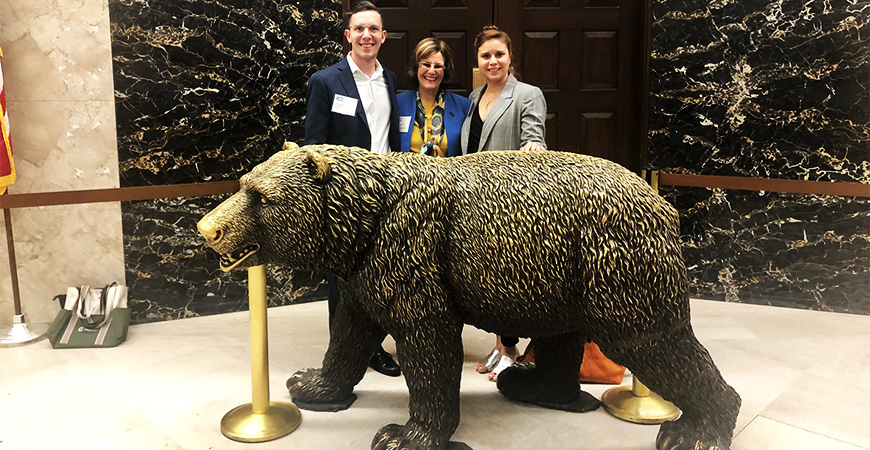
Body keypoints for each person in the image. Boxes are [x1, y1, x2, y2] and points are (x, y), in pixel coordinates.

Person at [302, 1, 401, 377]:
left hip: (387, 191)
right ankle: (344, 356)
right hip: (345, 196)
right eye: (359, 29)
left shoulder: (389, 79)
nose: (366, 35)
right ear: (348, 35)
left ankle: (374, 347)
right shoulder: (326, 81)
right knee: (343, 279)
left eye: (373, 29)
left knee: (380, 272)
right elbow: (313, 145)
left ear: (383, 36)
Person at [460, 24, 548, 381]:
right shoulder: (471, 97)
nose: (493, 61)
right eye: (486, 56)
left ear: (510, 57)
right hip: (474, 201)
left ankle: (511, 348)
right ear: (477, 61)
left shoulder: (528, 94)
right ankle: (501, 344)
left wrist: (535, 148)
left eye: (499, 54)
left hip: (509, 203)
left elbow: (534, 139)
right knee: (486, 279)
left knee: (508, 277)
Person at [396, 38, 471, 157]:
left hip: (449, 174)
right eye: (426, 64)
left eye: (438, 66)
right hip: (407, 174)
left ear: (445, 70)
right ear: (416, 68)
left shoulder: (463, 106)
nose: (431, 71)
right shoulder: (398, 104)